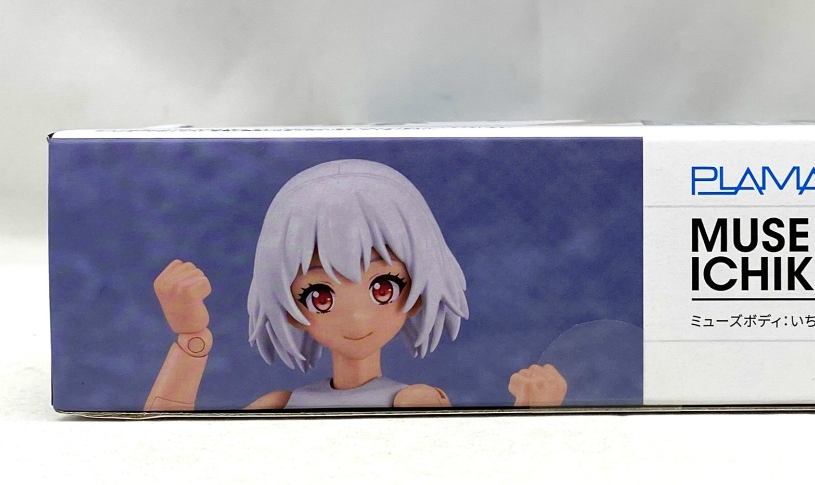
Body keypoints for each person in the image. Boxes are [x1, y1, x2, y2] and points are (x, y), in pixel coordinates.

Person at [144, 158, 567, 411]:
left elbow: (465, 479)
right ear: (289, 304)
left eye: (383, 287)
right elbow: (173, 451)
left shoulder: (412, 402)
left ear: (416, 293)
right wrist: (191, 340)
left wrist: (536, 417)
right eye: (320, 295)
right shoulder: (281, 405)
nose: (358, 317)